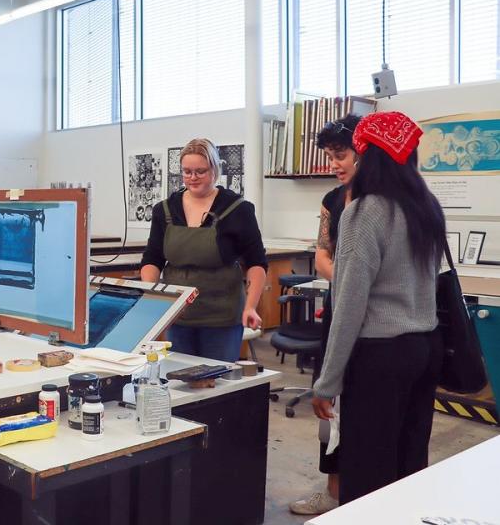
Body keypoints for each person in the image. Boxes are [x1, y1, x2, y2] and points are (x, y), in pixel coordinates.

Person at [312, 111, 445, 505]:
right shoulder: (425, 205)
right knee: (409, 462)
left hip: (379, 356)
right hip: (424, 348)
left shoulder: (364, 211)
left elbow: (349, 302)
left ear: (368, 155)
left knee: (368, 472)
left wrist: (327, 381)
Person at [290, 113, 360, 516]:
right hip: (339, 306)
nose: (334, 164)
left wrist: (353, 280)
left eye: (341, 154)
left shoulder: (377, 200)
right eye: (330, 156)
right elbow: (321, 257)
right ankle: (332, 493)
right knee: (329, 406)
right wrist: (348, 279)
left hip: (370, 318)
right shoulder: (332, 200)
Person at [140, 138, 267, 361]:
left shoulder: (238, 209)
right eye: (187, 171)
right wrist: (150, 299)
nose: (192, 177)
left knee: (217, 383)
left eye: (200, 171)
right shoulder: (165, 210)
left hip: (222, 317)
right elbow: (153, 259)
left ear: (215, 170)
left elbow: (256, 263)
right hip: (177, 315)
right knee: (179, 382)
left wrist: (251, 307)